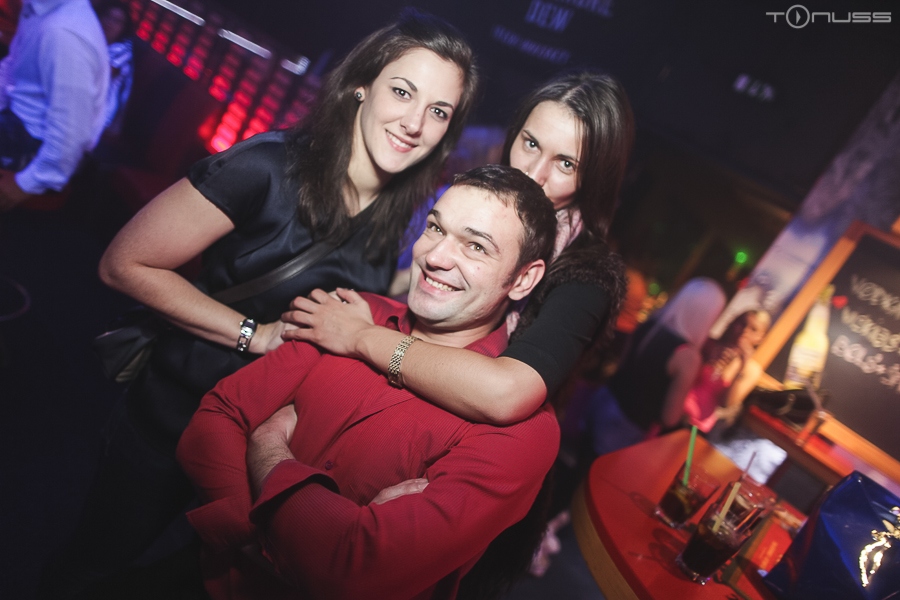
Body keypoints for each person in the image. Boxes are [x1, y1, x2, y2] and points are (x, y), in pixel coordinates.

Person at [37, 9, 477, 598]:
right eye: (403, 91)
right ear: (360, 86)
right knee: (94, 569)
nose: (415, 123)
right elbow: (125, 263)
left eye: (439, 111)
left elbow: (348, 294)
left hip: (253, 455)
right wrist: (255, 334)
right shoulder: (267, 167)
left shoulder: (395, 215)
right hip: (172, 420)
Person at [177, 165, 560, 599]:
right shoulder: (346, 314)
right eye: (436, 228)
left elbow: (354, 571)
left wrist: (266, 447)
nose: (435, 257)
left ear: (523, 279)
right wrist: (249, 535)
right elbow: (214, 419)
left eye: (476, 246)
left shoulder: (525, 431)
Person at [282, 70, 633, 429]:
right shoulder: (477, 205)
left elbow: (507, 393)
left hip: (471, 441)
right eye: (530, 144)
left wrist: (360, 336)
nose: (534, 173)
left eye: (566, 164)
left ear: (594, 178)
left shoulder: (587, 276)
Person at [583, 277, 726, 455]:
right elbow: (669, 418)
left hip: (604, 401)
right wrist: (687, 412)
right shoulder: (688, 357)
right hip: (626, 427)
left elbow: (621, 366)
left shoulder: (650, 326)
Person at [0, 0, 109, 210]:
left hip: (32, 145)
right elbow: (12, 67)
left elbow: (72, 129)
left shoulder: (64, 32)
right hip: (15, 123)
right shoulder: (38, 9)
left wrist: (26, 183)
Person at [683, 309, 772, 432]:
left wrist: (742, 366)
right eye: (742, 324)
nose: (745, 331)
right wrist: (708, 362)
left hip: (695, 426)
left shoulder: (751, 370)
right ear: (733, 323)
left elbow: (726, 403)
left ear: (760, 338)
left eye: (753, 329)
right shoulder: (709, 344)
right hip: (673, 408)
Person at [96, 0, 134, 134]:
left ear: (124, 27)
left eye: (117, 21)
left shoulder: (123, 50)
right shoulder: (96, 38)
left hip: (102, 115)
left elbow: (97, 74)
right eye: (108, 16)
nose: (109, 23)